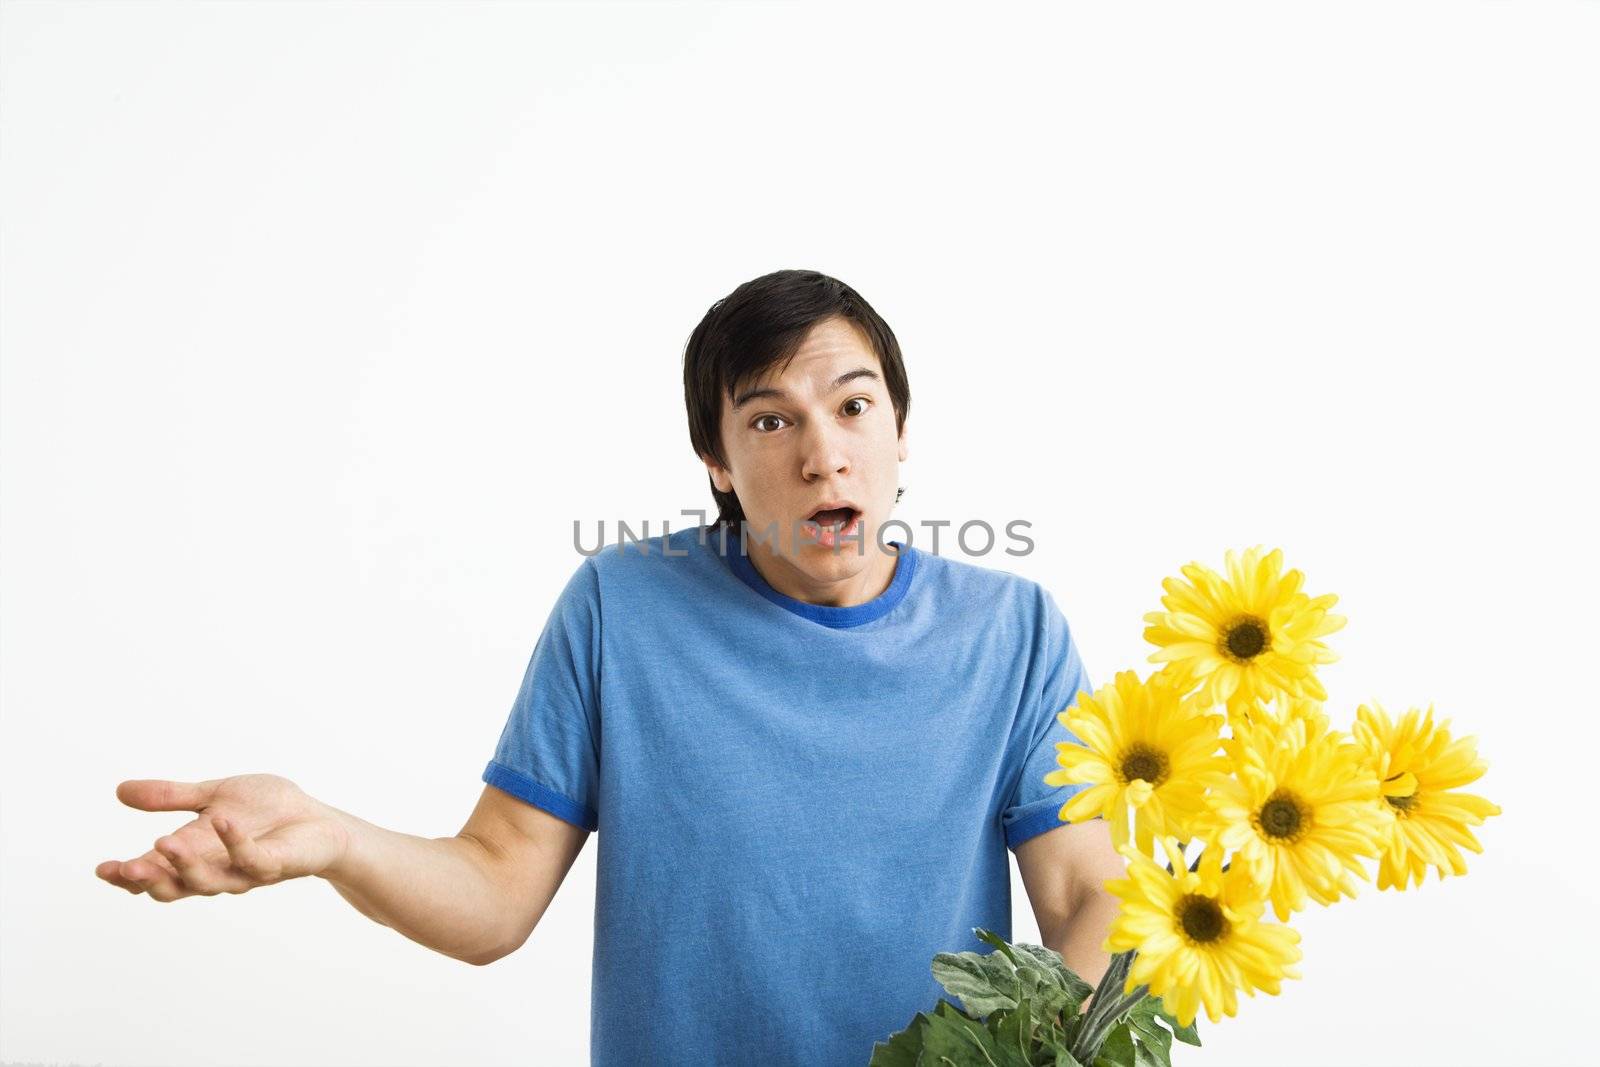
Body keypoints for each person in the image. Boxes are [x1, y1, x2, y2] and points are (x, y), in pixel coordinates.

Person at [97, 269, 1127, 1066]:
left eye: (853, 407)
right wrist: (332, 840)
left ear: (901, 432)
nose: (823, 454)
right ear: (718, 465)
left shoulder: (1014, 630)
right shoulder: (620, 608)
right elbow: (495, 891)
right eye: (770, 420)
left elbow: (1087, 895)